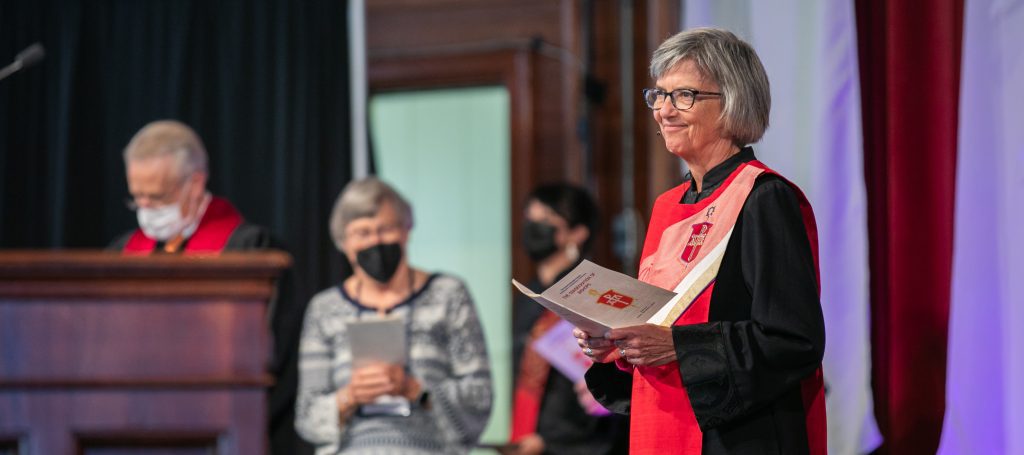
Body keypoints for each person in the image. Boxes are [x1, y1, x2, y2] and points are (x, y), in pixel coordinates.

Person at [573, 28, 827, 454]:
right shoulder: (667, 206)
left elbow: (794, 340)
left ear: (732, 102)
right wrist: (617, 347)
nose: (664, 111)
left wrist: (677, 346)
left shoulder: (765, 198)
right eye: (659, 95)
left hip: (740, 439)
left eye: (683, 96)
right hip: (663, 430)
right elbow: (661, 329)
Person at [109, 119, 312, 455]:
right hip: (134, 432)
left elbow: (275, 357)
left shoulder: (249, 252)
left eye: (157, 197)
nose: (145, 210)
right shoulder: (120, 255)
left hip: (220, 434)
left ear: (196, 183)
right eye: (137, 198)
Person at [295, 177, 493, 454]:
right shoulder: (324, 308)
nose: (375, 241)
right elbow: (307, 416)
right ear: (344, 244)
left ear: (406, 230)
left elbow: (479, 397)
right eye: (362, 233)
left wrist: (417, 390)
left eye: (386, 229)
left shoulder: (448, 295)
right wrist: (350, 396)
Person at [506, 183, 628, 455]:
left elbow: (607, 383)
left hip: (584, 445)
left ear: (577, 233)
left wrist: (550, 440)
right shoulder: (528, 294)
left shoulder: (593, 293)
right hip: (530, 439)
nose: (533, 226)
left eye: (546, 220)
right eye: (530, 218)